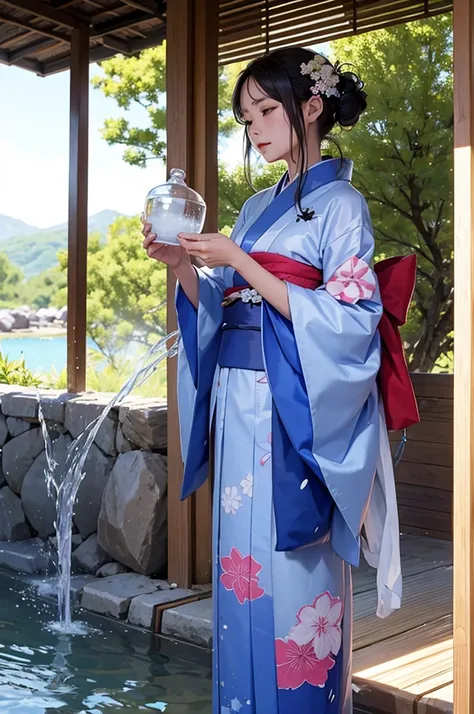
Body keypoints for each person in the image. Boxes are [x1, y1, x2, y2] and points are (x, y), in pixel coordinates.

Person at [142, 46, 418, 714]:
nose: (255, 127)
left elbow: (353, 322)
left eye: (267, 110)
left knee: (296, 588)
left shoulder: (342, 205)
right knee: (241, 580)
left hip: (297, 416)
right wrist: (182, 265)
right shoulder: (254, 208)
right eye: (245, 117)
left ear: (312, 108)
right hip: (239, 409)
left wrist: (241, 260)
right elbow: (219, 305)